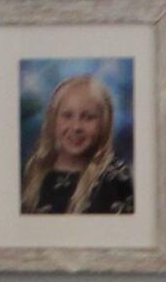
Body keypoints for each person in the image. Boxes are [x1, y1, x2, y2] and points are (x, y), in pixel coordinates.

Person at [18, 73, 135, 215]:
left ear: (104, 123)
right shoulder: (33, 170)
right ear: (53, 120)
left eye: (88, 117)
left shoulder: (115, 179)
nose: (76, 127)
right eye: (67, 116)